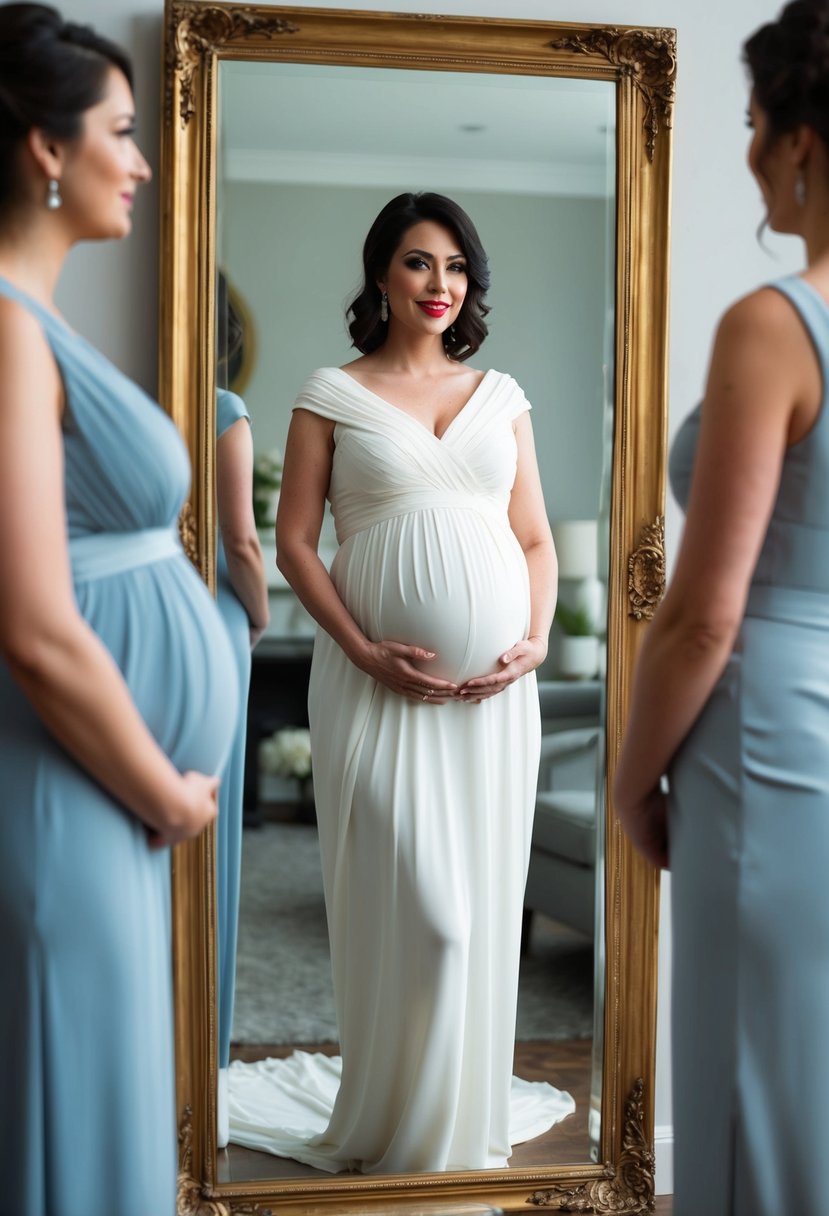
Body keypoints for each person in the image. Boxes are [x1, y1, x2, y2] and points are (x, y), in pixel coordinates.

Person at [225, 191, 576, 1172]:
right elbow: (294, 543)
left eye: (456, 267)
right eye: (420, 262)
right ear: (381, 271)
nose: (439, 284)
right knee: (423, 911)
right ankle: (396, 1121)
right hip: (374, 690)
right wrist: (363, 647)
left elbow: (537, 540)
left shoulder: (500, 396)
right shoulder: (328, 393)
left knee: (478, 913)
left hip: (497, 704)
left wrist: (537, 637)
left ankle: (454, 1124)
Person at [0, 6, 238, 1214]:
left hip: (103, 793)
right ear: (47, 148)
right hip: (66, 786)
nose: (142, 161)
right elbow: (35, 628)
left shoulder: (34, 322)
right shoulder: (1, 327)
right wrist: (164, 788)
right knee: (75, 1116)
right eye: (122, 132)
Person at [613, 2, 829, 1211]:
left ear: (799, 140)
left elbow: (703, 612)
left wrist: (635, 779)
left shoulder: (775, 323)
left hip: (770, 740)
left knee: (757, 1079)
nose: (748, 156)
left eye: (753, 128)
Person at [214, 275, 269, 1144]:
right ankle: (204, 1054)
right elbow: (244, 542)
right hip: (217, 620)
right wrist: (258, 617)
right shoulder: (224, 407)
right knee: (213, 840)